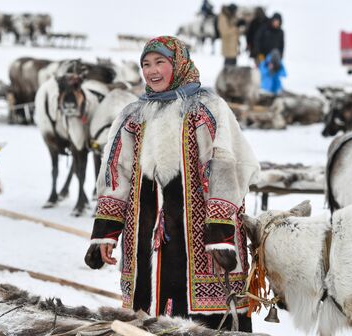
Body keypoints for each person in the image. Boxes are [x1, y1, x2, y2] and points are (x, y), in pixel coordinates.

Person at [84, 36, 260, 332]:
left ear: (178, 64)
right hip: (144, 240)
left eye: (160, 63)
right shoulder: (133, 115)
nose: (151, 71)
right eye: (145, 64)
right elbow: (117, 174)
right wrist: (105, 234)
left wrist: (221, 234)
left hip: (200, 242)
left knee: (204, 326)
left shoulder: (207, 109)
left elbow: (226, 168)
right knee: (146, 319)